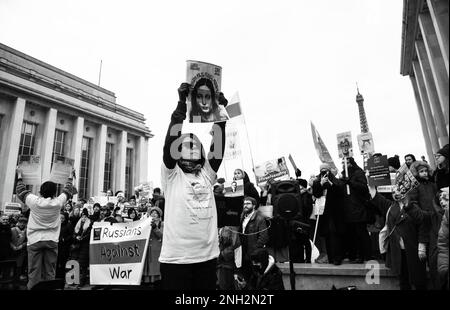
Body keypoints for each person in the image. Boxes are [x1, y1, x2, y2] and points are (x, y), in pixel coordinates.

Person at [159, 82, 227, 290]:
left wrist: (220, 115)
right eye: (187, 144)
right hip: (177, 261)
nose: (192, 146)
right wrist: (181, 104)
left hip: (207, 258)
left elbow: (218, 146)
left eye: (196, 144)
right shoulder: (172, 174)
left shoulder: (207, 174)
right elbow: (171, 138)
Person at [15, 168, 77, 289]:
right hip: (52, 240)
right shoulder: (58, 203)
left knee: (34, 272)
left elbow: (20, 190)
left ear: (40, 191)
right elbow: (68, 189)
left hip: (34, 241)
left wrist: (19, 176)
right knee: (50, 271)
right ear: (54, 192)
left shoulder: (34, 201)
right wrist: (70, 176)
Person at [369, 185, 428, 290]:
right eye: (393, 191)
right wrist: (371, 186)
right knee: (403, 281)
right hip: (398, 251)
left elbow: (423, 225)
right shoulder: (390, 206)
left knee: (418, 281)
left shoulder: (414, 206)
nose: (396, 193)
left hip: (414, 250)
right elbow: (378, 199)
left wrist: (422, 245)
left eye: (398, 190)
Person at [408, 160, 441, 289]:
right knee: (425, 258)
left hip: (435, 222)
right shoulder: (415, 187)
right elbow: (414, 203)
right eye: (421, 171)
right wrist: (423, 213)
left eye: (426, 170)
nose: (424, 173)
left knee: (435, 260)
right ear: (416, 173)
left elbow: (437, 200)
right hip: (423, 224)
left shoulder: (433, 185)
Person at [312, 164, 346, 265]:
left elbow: (340, 191)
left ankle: (337, 258)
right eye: (322, 170)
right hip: (323, 213)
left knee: (335, 234)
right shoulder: (317, 181)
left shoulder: (335, 180)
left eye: (325, 170)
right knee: (327, 235)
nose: (324, 172)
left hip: (334, 212)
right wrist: (320, 184)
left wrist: (330, 184)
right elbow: (316, 194)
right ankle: (331, 257)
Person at [341, 157, 373, 263]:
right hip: (348, 209)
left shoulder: (358, 172)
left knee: (361, 233)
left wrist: (350, 182)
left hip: (358, 208)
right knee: (352, 234)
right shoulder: (343, 175)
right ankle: (355, 255)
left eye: (345, 162)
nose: (343, 164)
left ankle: (366, 255)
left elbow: (363, 187)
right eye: (342, 163)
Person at [239, 196, 269, 281]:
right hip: (243, 252)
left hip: (253, 253)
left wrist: (255, 249)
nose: (245, 205)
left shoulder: (259, 218)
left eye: (248, 204)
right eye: (244, 204)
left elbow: (264, 237)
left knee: (254, 277)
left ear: (254, 206)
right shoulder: (242, 216)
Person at [142, 206, 163, 288]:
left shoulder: (162, 224)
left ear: (159, 215)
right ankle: (146, 280)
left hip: (156, 248)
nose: (154, 214)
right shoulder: (146, 223)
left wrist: (155, 228)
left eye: (156, 213)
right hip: (147, 247)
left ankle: (155, 281)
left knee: (154, 265)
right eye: (152, 213)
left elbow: (161, 235)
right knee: (148, 264)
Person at [70, 208, 91, 286]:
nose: (83, 218)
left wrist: (81, 238)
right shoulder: (78, 224)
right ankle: (74, 280)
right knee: (75, 263)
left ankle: (82, 281)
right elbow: (73, 233)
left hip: (84, 246)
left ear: (87, 217)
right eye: (82, 216)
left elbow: (89, 234)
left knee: (83, 265)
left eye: (85, 217)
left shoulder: (89, 224)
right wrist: (76, 237)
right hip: (77, 246)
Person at [10, 216, 28, 283]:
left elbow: (27, 240)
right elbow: (9, 240)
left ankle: (17, 279)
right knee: (12, 264)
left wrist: (22, 246)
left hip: (21, 250)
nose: (22, 224)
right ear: (18, 222)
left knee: (19, 265)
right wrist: (13, 246)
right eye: (21, 222)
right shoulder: (12, 229)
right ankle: (11, 277)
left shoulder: (27, 231)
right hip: (13, 249)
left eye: (24, 223)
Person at [437, 190, 448, 290]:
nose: (442, 202)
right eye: (441, 200)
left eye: (446, 199)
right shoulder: (445, 219)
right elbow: (443, 246)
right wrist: (443, 268)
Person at [56, 212, 73, 279]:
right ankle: (57, 275)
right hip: (57, 245)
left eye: (62, 218)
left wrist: (65, 239)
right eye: (60, 218)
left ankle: (63, 276)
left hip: (65, 246)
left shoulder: (68, 225)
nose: (61, 219)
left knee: (63, 262)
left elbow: (71, 235)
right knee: (57, 261)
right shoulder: (57, 225)